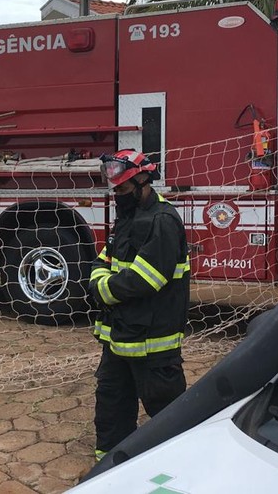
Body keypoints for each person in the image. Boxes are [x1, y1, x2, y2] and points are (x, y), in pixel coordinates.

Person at [88, 149, 190, 463]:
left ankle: (181, 468)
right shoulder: (128, 218)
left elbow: (146, 278)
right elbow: (102, 261)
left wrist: (102, 289)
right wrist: (99, 279)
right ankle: (112, 467)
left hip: (152, 343)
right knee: (112, 405)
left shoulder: (162, 221)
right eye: (115, 190)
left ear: (143, 182)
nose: (117, 196)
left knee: (168, 415)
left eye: (122, 190)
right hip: (118, 337)